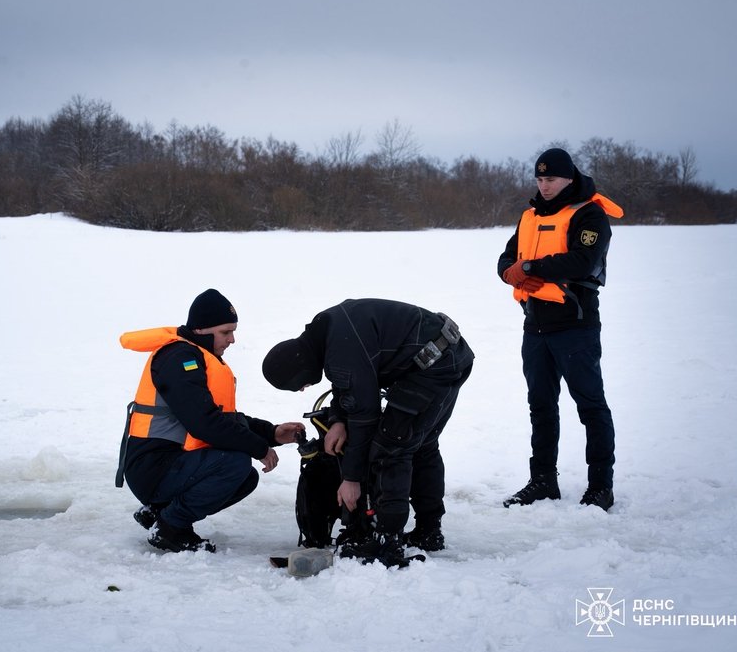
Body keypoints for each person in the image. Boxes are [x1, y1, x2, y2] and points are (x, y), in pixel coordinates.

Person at [261, 299, 474, 567]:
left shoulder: (339, 348)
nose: (303, 389)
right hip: (446, 353)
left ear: (300, 369)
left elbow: (365, 415)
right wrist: (338, 419)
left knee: (391, 445)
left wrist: (351, 478)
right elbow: (349, 382)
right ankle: (429, 531)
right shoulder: (326, 332)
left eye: (299, 385)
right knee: (422, 445)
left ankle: (387, 540)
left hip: (435, 365)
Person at [116, 289, 305, 553]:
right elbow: (204, 423)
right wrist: (259, 448)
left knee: (245, 477)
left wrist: (272, 433)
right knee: (235, 464)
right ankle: (170, 527)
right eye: (226, 332)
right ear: (203, 330)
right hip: (153, 467)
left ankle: (158, 512)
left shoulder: (197, 357)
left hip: (170, 464)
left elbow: (224, 420)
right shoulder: (180, 358)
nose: (232, 340)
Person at [497, 147, 624, 512]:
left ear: (568, 177)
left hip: (575, 325)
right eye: (539, 179)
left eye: (550, 179)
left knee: (590, 405)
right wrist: (511, 273)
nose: (544, 185)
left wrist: (531, 267)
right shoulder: (529, 216)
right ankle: (543, 480)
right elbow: (506, 258)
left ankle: (601, 486)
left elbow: (583, 261)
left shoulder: (589, 214)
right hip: (535, 326)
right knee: (540, 406)